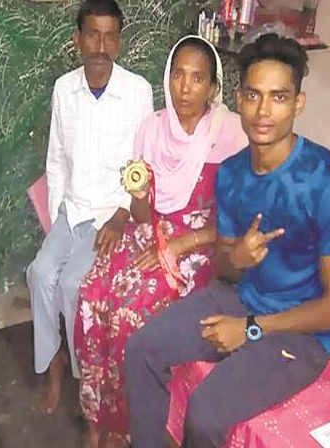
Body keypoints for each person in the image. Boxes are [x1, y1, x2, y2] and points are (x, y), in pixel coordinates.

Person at [124, 33, 330, 448]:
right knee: (141, 349)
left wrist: (250, 330)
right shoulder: (233, 172)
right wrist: (235, 257)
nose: (263, 111)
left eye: (279, 97)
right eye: (253, 95)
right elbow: (224, 268)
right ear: (238, 99)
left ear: (299, 103)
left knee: (204, 414)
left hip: (301, 332)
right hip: (239, 299)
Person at [75, 35, 247, 448]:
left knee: (129, 312)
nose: (185, 88)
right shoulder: (152, 128)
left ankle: (128, 425)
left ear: (213, 86)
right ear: (167, 78)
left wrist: (182, 245)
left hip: (201, 246)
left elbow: (238, 223)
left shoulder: (231, 135)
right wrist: (138, 195)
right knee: (91, 294)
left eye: (197, 78)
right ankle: (99, 416)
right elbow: (141, 214)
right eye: (178, 75)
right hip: (151, 233)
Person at [27, 0, 153, 415]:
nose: (101, 46)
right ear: (77, 39)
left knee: (72, 285)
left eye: (110, 37)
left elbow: (141, 166)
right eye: (93, 35)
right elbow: (56, 159)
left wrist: (122, 214)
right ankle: (53, 364)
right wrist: (57, 222)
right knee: (40, 273)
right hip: (72, 210)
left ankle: (86, 381)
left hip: (110, 216)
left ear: (119, 42)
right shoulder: (65, 89)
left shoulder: (137, 91)